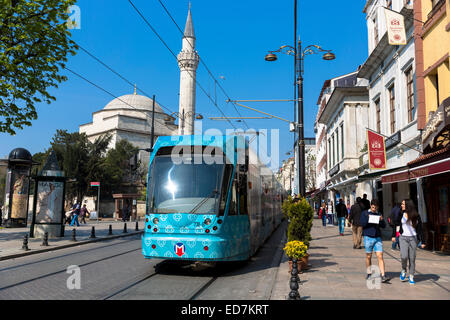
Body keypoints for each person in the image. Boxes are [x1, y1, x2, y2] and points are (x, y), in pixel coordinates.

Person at [395, 199, 425, 285]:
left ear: (408, 205)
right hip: (403, 238)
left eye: (403, 204)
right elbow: (396, 224)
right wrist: (394, 235)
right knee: (404, 256)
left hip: (413, 239)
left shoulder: (416, 215)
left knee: (412, 258)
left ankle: (411, 276)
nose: (401, 205)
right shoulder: (401, 213)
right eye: (401, 204)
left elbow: (420, 229)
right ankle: (403, 269)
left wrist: (423, 241)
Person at [360, 199, 389, 283]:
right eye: (373, 206)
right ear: (370, 205)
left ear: (377, 207)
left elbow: (383, 226)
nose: (374, 208)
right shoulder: (365, 213)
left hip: (377, 237)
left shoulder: (379, 214)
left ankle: (383, 275)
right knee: (368, 256)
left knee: (380, 256)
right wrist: (368, 218)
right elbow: (362, 224)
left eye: (375, 207)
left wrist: (381, 220)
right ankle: (369, 273)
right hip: (368, 237)